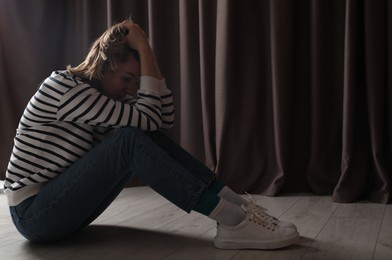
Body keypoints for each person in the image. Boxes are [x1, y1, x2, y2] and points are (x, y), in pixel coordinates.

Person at [4, 19, 299, 250]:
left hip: (57, 207)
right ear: (105, 64)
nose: (132, 90)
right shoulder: (65, 89)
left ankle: (241, 208)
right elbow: (148, 119)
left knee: (139, 134)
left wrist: (147, 54)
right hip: (34, 214)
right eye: (127, 80)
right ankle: (232, 221)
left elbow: (162, 118)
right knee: (130, 139)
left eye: (136, 82)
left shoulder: (104, 97)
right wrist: (142, 47)